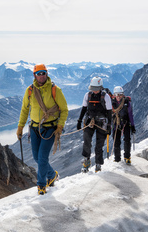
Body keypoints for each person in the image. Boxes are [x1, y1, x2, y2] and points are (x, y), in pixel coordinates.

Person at [16, 64, 68, 195]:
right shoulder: (29, 91)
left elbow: (64, 109)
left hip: (50, 128)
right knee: (36, 157)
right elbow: (24, 110)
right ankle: (52, 174)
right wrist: (20, 127)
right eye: (38, 73)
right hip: (34, 128)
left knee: (42, 157)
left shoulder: (55, 90)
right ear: (34, 75)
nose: (41, 76)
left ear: (47, 73)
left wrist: (60, 126)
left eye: (43, 73)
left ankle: (41, 185)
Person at [77, 76, 113, 172]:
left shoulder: (106, 97)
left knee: (99, 145)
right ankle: (86, 160)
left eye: (96, 89)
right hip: (90, 121)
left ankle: (98, 164)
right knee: (86, 141)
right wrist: (79, 121)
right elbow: (84, 108)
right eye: (93, 89)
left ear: (100, 87)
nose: (95, 91)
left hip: (102, 123)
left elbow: (109, 112)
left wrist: (109, 125)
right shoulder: (87, 95)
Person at [111, 86, 136, 164]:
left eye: (120, 95)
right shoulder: (112, 103)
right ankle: (117, 158)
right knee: (116, 141)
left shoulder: (126, 102)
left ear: (123, 95)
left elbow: (130, 114)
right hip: (116, 124)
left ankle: (127, 157)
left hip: (125, 123)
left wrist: (132, 125)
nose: (118, 97)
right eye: (117, 95)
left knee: (127, 140)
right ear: (114, 95)